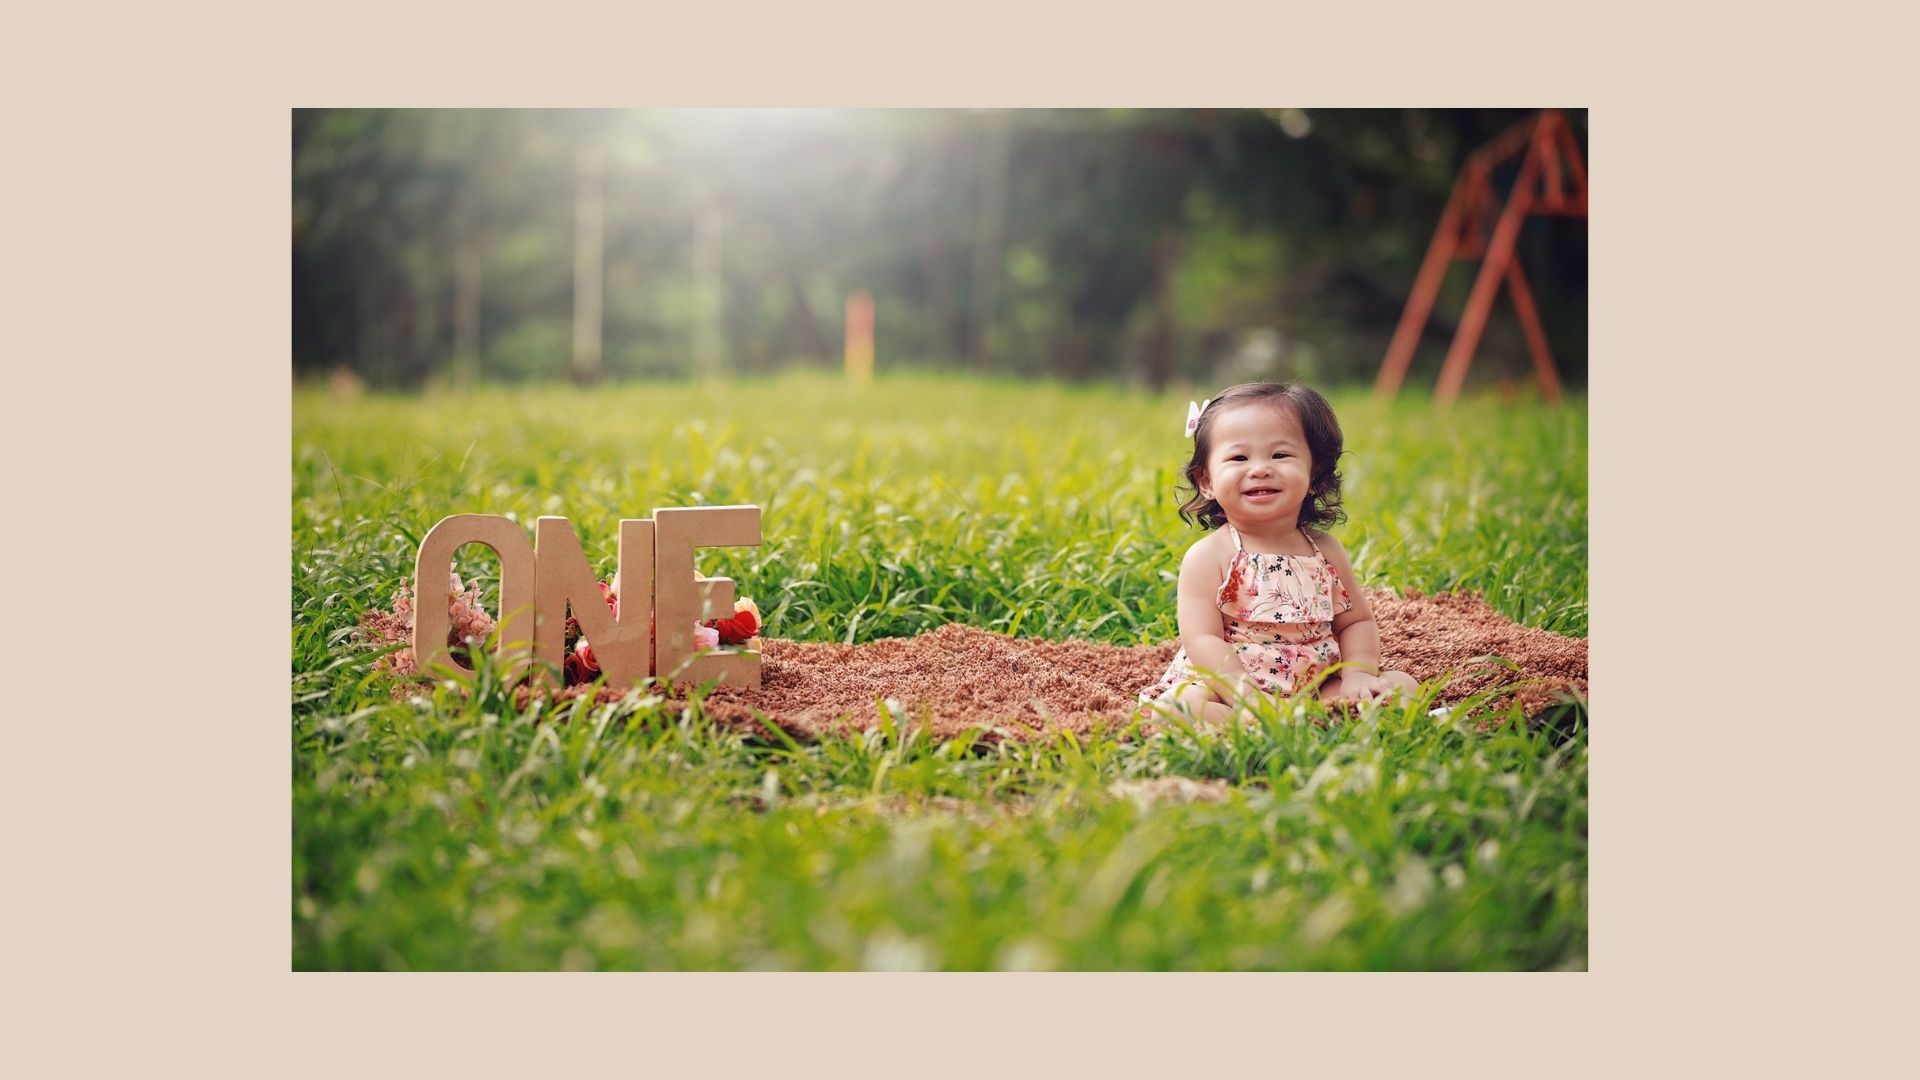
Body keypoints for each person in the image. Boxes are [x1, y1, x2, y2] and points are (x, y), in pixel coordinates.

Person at [1140, 382, 1417, 724]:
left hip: (1314, 682)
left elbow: (1356, 621)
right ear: (1206, 481)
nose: (1260, 469)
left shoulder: (1324, 550)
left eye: (1280, 455)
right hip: (1230, 685)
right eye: (1239, 457)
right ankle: (1265, 721)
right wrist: (1245, 695)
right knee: (1177, 709)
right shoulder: (1210, 555)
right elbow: (1202, 638)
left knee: (1403, 686)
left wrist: (1358, 674)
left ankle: (1302, 717)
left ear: (1315, 475)